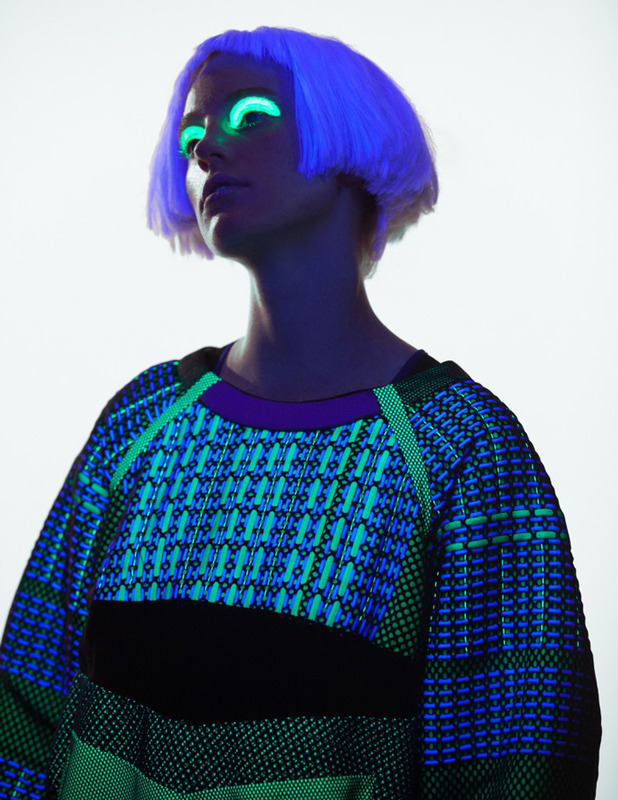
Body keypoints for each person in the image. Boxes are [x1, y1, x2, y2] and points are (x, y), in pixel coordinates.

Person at [0, 25, 601, 800]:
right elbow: (26, 710)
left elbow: (520, 753)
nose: (204, 149)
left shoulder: (456, 446)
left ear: (349, 133)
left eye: (250, 115)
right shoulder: (140, 424)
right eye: (190, 135)